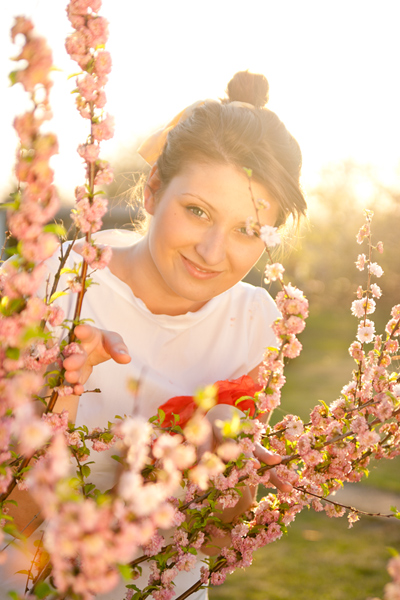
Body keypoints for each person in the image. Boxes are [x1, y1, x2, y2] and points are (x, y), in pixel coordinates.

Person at [1, 70, 307, 600]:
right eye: (197, 212)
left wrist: (226, 447)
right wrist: (64, 387)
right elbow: (15, 517)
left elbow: (211, 542)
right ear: (152, 190)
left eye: (248, 230)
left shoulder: (256, 320)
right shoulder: (54, 283)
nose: (213, 252)